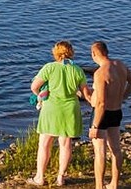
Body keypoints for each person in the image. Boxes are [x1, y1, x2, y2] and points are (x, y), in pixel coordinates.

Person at [28, 40, 91, 187]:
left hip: (51, 108)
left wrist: (41, 95)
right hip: (70, 108)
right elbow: (84, 93)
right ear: (71, 53)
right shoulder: (77, 70)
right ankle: (60, 177)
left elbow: (34, 86)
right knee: (66, 143)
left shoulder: (49, 68)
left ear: (56, 53)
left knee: (44, 144)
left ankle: (40, 177)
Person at [88, 41, 131, 189]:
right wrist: (122, 97)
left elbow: (101, 103)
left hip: (102, 114)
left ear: (94, 54)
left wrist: (95, 125)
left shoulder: (100, 73)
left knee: (100, 151)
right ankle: (114, 183)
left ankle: (99, 185)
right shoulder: (121, 65)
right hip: (117, 111)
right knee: (116, 149)